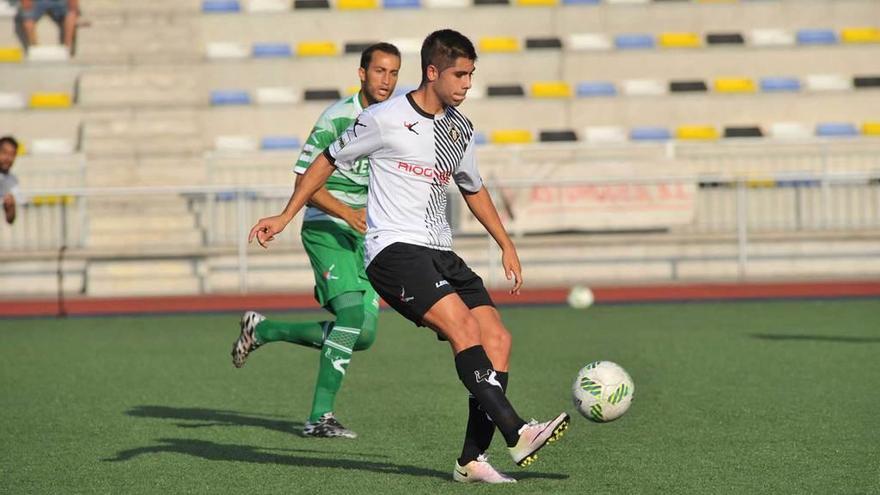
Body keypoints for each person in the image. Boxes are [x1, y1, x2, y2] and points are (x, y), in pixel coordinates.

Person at [248, 29, 569, 483]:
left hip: (441, 251)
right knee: (462, 326)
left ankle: (471, 461)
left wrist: (506, 243)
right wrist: (285, 216)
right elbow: (325, 160)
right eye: (460, 74)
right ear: (433, 71)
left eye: (472, 75)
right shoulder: (384, 118)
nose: (467, 85)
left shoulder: (460, 127)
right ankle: (516, 431)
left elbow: (472, 187)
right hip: (393, 251)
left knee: (497, 339)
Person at [231, 43, 402, 439]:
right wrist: (347, 214)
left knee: (364, 336)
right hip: (328, 226)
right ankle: (319, 417)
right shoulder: (337, 117)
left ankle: (265, 331)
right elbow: (306, 182)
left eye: (393, 73)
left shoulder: (395, 120)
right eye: (379, 71)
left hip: (368, 235)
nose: (386, 81)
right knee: (351, 317)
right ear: (362, 73)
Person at [0, 136, 21, 225]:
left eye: (12, 154)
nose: (8, 158)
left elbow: (10, 219)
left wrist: (10, 207)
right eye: (4, 153)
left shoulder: (13, 181)